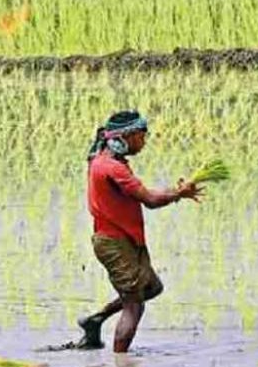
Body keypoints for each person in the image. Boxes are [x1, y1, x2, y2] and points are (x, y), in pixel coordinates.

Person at [78, 111, 202, 352]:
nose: (144, 142)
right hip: (114, 243)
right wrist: (179, 193)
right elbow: (150, 200)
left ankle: (95, 319)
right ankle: (121, 362)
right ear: (126, 136)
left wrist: (176, 192)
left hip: (126, 239)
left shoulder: (104, 159)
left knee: (152, 288)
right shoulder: (113, 168)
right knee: (134, 306)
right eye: (141, 137)